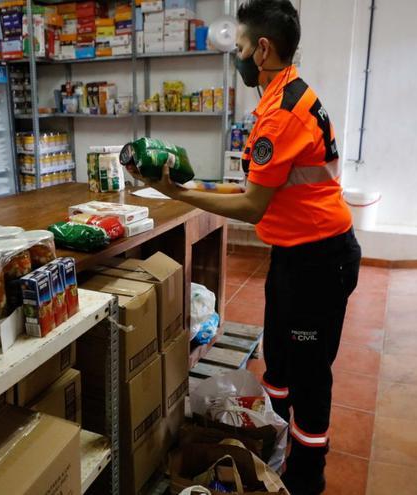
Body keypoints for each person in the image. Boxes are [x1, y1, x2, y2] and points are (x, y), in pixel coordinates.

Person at [126, 1, 361, 493]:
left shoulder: (283, 115)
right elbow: (250, 187)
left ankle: (305, 477)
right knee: (278, 358)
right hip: (295, 255)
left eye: (238, 48)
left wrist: (181, 195)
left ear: (263, 49)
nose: (236, 58)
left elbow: (253, 206)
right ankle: (269, 439)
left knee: (311, 377)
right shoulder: (282, 97)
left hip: (320, 260)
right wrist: (183, 190)